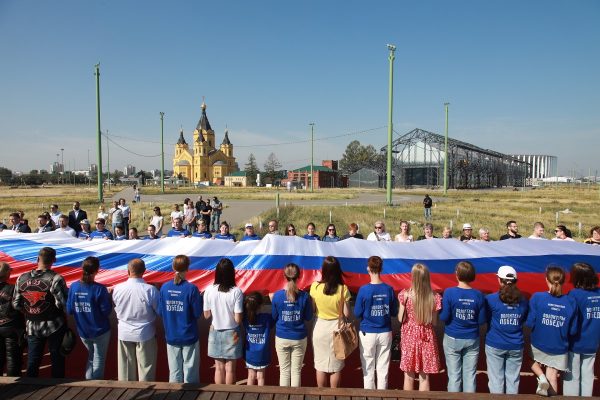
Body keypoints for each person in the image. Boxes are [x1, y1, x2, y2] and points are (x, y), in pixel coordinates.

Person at [13, 247, 68, 378]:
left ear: (37, 259)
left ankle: (29, 389)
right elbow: (62, 304)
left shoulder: (21, 278)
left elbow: (15, 304)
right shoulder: (56, 278)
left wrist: (30, 312)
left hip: (32, 325)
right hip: (54, 325)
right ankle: (58, 388)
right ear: (54, 260)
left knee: (32, 361)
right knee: (57, 360)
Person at [526, 266, 578, 396]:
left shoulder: (538, 297)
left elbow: (529, 323)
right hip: (559, 346)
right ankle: (546, 382)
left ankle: (541, 377)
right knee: (553, 376)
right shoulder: (571, 301)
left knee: (529, 359)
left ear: (546, 279)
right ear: (563, 281)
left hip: (539, 343)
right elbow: (573, 330)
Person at [439, 261, 486, 393]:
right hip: (472, 338)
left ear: (457, 275)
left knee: (454, 376)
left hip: (453, 337)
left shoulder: (449, 292)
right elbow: (481, 320)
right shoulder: (478, 295)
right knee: (470, 376)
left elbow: (444, 317)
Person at [158, 255, 203, 384]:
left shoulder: (165, 288)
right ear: (188, 268)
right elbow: (197, 313)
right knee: (191, 373)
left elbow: (161, 311)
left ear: (173, 267)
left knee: (174, 372)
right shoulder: (192, 289)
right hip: (189, 335)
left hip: (171, 335)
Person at [354, 256, 398, 389]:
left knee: (368, 370)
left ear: (368, 269)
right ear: (381, 269)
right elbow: (394, 312)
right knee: (383, 369)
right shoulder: (389, 289)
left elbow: (356, 313)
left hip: (368, 332)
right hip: (385, 332)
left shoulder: (363, 290)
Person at [112, 258, 159, 381]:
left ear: (128, 271)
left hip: (124, 332)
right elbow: (159, 310)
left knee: (125, 372)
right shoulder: (150, 290)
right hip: (145, 333)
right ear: (144, 271)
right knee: (146, 370)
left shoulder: (118, 288)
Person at [484, 265, 529, 394]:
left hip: (495, 344)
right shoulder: (523, 301)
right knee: (513, 381)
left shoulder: (490, 299)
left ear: (499, 280)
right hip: (516, 345)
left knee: (495, 381)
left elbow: (486, 318)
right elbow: (523, 319)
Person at [66, 256, 112, 379]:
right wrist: (108, 297)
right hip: (100, 331)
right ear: (97, 270)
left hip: (83, 332)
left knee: (91, 357)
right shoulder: (100, 289)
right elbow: (106, 311)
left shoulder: (74, 287)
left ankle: (89, 382)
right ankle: (96, 386)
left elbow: (70, 309)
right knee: (98, 359)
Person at [398, 263, 442, 391]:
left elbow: (401, 319)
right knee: (424, 376)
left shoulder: (405, 295)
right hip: (426, 336)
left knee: (408, 375)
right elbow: (434, 322)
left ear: (413, 277)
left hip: (409, 336)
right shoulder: (434, 297)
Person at [309, 256, 351, 388]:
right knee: (336, 367)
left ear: (324, 270)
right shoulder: (343, 289)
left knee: (320, 365)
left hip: (320, 327)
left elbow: (313, 309)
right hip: (337, 328)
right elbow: (347, 314)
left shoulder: (315, 287)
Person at [271, 263, 313, 387]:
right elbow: (308, 317)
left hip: (282, 337)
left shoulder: (277, 296)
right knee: (296, 371)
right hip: (299, 337)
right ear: (298, 276)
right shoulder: (304, 296)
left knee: (284, 372)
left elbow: (274, 317)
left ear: (284, 276)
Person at [203, 258, 244, 384]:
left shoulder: (209, 290)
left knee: (219, 368)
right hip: (232, 332)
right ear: (232, 272)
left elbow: (206, 315)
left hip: (215, 331)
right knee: (230, 369)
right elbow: (238, 320)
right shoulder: (236, 292)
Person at [563, 263, 600, 396]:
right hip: (593, 343)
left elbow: (568, 318)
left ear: (577, 278)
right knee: (588, 376)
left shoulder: (574, 294)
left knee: (572, 377)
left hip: (575, 342)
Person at [243, 292, 274, 386]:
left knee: (250, 376)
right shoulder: (267, 318)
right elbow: (276, 314)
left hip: (249, 354)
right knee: (261, 377)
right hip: (262, 354)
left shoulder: (245, 318)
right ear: (261, 305)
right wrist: (273, 301)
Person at [0, 262, 24, 377]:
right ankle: (13, 386)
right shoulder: (13, 289)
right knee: (13, 360)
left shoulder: (13, 288)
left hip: (9, 327)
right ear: (7, 274)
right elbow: (20, 306)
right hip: (12, 327)